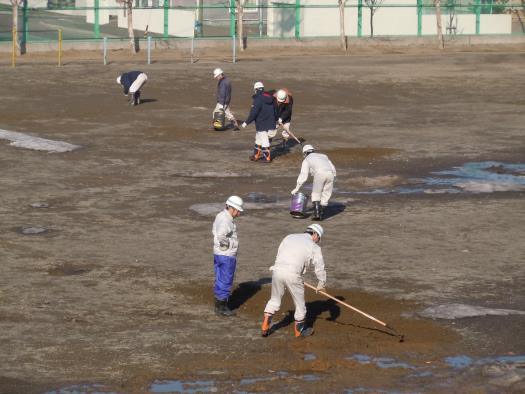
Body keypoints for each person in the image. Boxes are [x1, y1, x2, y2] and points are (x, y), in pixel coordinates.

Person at [261, 224, 326, 338]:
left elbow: (279, 253)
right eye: (318, 238)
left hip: (277, 270)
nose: (317, 241)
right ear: (315, 234)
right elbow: (319, 266)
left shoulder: (289, 237)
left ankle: (265, 326)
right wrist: (321, 283)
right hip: (293, 274)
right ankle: (299, 331)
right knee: (300, 305)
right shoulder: (314, 247)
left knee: (275, 300)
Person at [212, 195, 244, 316]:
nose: (238, 214)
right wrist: (229, 244)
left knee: (220, 278)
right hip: (226, 255)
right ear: (232, 208)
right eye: (238, 211)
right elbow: (221, 236)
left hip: (219, 253)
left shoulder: (220, 216)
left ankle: (219, 304)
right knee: (225, 279)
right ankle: (221, 308)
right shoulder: (226, 220)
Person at [291, 144, 336, 221]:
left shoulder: (307, 159)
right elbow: (332, 167)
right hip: (331, 173)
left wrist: (297, 188)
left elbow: (303, 175)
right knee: (326, 193)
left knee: (316, 193)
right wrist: (333, 175)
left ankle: (317, 214)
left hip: (319, 173)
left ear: (305, 153)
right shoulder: (323, 156)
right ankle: (321, 211)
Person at [241, 82, 278, 163]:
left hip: (261, 123)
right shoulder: (271, 98)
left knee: (264, 140)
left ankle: (267, 158)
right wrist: (276, 120)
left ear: (256, 90)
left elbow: (254, 113)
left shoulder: (257, 99)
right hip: (271, 123)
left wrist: (246, 122)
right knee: (258, 139)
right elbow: (276, 111)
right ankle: (255, 156)